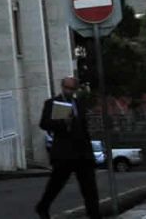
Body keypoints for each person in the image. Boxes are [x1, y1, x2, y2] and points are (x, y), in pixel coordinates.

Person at [35, 76, 102, 219]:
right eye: (66, 88)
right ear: (62, 87)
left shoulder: (79, 104)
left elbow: (84, 128)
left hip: (82, 152)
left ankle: (94, 215)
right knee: (56, 184)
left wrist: (90, 154)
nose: (69, 91)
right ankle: (43, 206)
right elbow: (44, 123)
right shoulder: (52, 103)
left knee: (89, 188)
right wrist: (62, 123)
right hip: (64, 152)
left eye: (72, 89)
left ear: (75, 89)